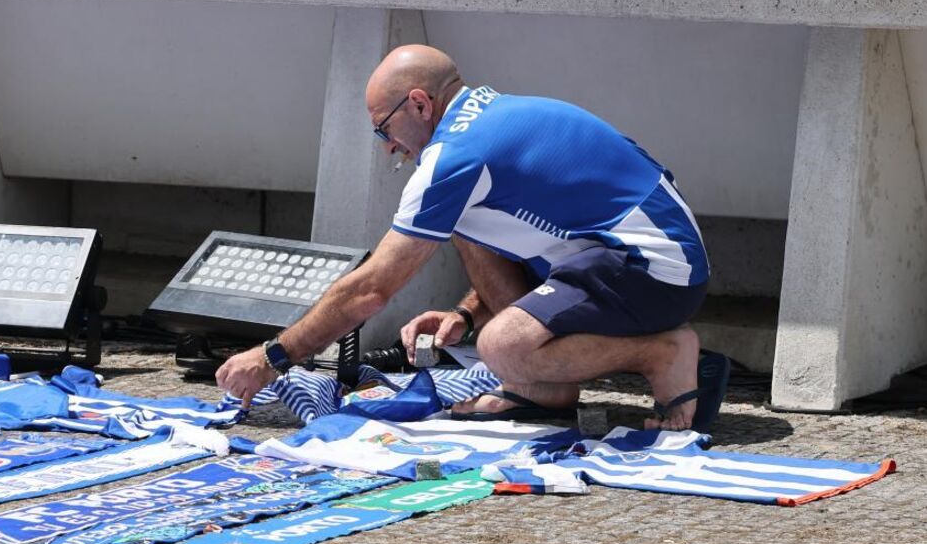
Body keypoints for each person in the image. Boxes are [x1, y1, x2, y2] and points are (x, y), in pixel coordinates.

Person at [216, 45, 719, 430]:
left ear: (419, 104)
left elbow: (370, 289)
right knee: (462, 227)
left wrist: (273, 356)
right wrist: (465, 313)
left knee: (502, 346)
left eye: (383, 130)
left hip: (653, 268)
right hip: (633, 255)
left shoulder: (456, 154)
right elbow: (519, 239)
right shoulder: (488, 114)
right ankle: (544, 390)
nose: (388, 147)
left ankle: (662, 353)